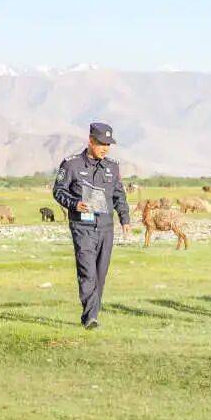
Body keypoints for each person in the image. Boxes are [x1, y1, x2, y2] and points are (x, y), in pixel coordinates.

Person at [53, 122, 131, 329]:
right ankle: (90, 317)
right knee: (87, 271)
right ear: (90, 141)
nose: (105, 148)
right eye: (101, 144)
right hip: (82, 227)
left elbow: (119, 195)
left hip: (106, 227)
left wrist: (124, 219)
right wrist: (74, 204)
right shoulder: (71, 164)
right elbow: (58, 191)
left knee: (100, 273)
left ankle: (92, 312)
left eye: (108, 144)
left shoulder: (112, 167)